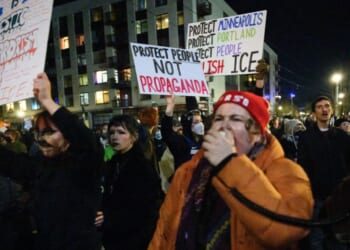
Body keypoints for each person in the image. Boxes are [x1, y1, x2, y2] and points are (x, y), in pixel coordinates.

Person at [149, 90, 313, 250]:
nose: (224, 126)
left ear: (258, 133)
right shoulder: (188, 171)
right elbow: (164, 232)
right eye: (219, 118)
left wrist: (230, 163)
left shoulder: (288, 171)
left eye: (235, 119)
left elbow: (285, 231)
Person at [0, 72, 104, 250]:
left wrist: (47, 101)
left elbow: (87, 142)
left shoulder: (84, 163)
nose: (41, 139)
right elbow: (8, 162)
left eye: (49, 132)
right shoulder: (39, 165)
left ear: (68, 136)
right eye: (38, 133)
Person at [101, 114, 163, 250]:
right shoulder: (112, 163)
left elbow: (145, 208)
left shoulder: (142, 167)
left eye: (121, 132)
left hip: (135, 238)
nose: (115, 137)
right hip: (114, 236)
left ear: (134, 137)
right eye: (112, 132)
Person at [297, 95, 350, 250]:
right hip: (317, 196)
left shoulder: (342, 136)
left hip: (340, 196)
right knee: (316, 236)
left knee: (340, 237)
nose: (324, 109)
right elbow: (303, 166)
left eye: (327, 106)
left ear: (332, 110)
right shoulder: (306, 138)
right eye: (319, 107)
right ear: (314, 113)